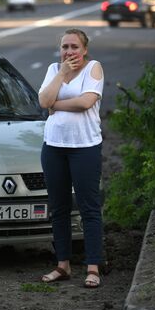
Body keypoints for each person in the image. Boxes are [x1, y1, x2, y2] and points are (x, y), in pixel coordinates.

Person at [38, 28, 104, 288]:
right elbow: (43, 100)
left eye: (74, 47)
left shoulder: (93, 68)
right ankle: (62, 265)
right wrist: (62, 75)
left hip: (85, 147)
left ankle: (93, 266)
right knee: (59, 208)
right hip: (53, 146)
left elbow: (86, 102)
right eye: (65, 47)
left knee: (89, 208)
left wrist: (57, 105)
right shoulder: (55, 70)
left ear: (84, 49)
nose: (69, 52)